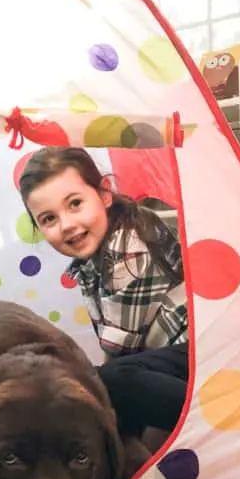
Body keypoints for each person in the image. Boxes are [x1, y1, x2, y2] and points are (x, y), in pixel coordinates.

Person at [18, 147, 189, 459]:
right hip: (167, 360)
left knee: (109, 381)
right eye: (49, 219)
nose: (66, 224)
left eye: (75, 204)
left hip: (197, 353)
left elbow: (120, 350)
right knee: (108, 385)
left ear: (105, 195)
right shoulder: (95, 257)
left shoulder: (129, 248)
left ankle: (207, 416)